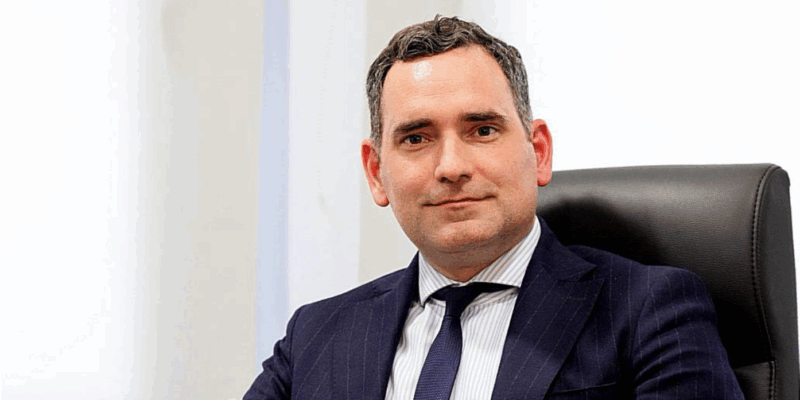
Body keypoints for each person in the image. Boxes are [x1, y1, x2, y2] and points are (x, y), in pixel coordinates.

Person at [244, 16, 744, 400]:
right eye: (416, 138)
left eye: (482, 130)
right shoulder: (316, 335)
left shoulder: (649, 311)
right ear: (376, 173)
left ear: (539, 152)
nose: (451, 166)